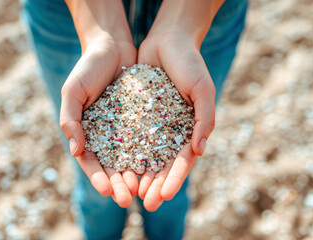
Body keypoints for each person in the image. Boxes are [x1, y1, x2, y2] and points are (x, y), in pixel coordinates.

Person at [20, 0, 247, 239]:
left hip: (202, 12)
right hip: (71, 12)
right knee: (94, 185)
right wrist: (99, 32)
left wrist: (181, 22)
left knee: (172, 184)